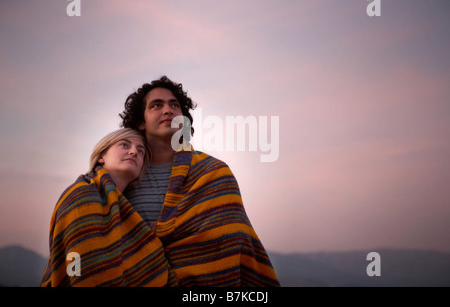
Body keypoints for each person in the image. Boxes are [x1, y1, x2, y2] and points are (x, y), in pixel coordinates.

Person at [120, 76, 280, 286]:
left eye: (174, 105)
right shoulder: (123, 178)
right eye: (156, 105)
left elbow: (233, 238)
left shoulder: (214, 173)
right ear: (141, 122)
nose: (168, 110)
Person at [41, 128, 172, 286]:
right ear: (102, 156)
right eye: (124, 145)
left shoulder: (125, 210)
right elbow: (79, 268)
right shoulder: (82, 195)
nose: (134, 152)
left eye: (141, 151)